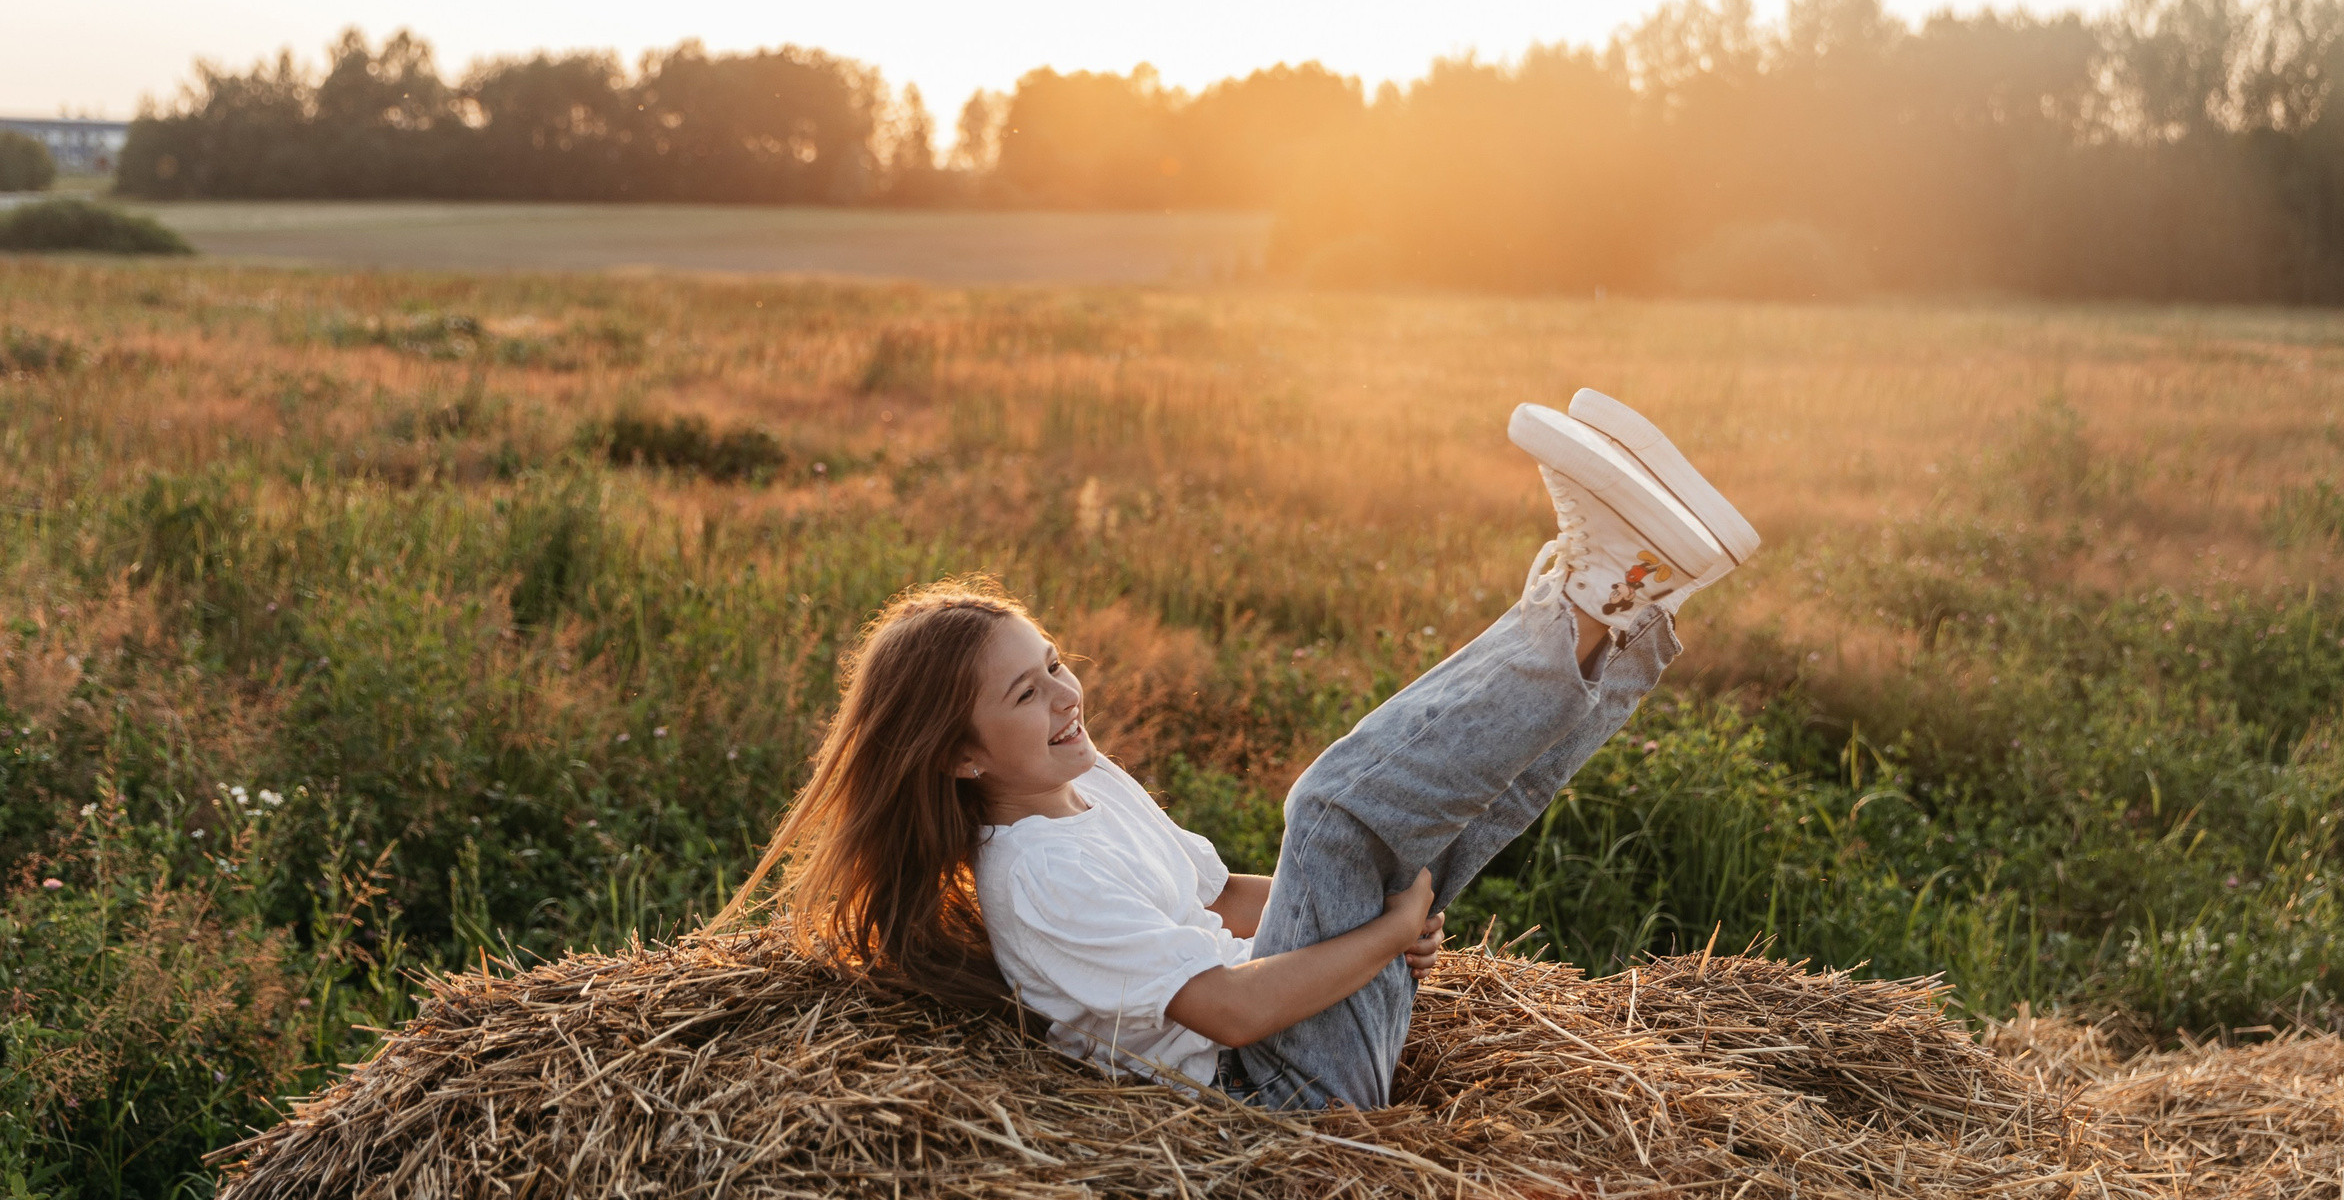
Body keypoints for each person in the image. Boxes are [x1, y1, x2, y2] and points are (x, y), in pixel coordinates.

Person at [717, 390, 1758, 1110]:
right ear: (958, 757)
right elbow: (1230, 1010)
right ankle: (1589, 590)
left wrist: (1373, 923)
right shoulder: (1031, 879)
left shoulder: (1087, 784)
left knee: (1452, 808)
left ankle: (1622, 604)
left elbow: (1221, 902)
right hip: (1281, 1100)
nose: (1066, 698)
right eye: (1026, 693)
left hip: (1308, 1035)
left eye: (1057, 663)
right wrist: (1379, 939)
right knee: (1336, 806)